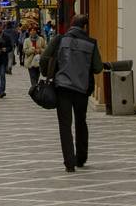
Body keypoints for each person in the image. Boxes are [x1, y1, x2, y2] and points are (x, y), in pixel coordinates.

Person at [38, 14, 103, 171]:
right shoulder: (91, 43)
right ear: (85, 27)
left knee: (65, 125)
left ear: (71, 25)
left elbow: (44, 58)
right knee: (81, 122)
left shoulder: (60, 39)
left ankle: (69, 162)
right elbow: (98, 68)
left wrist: (49, 73)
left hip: (62, 88)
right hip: (81, 89)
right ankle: (81, 157)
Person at [0, 22, 15, 96]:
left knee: (2, 75)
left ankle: (1, 90)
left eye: (0, 32)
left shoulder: (5, 37)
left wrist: (6, 49)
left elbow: (10, 47)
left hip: (3, 59)